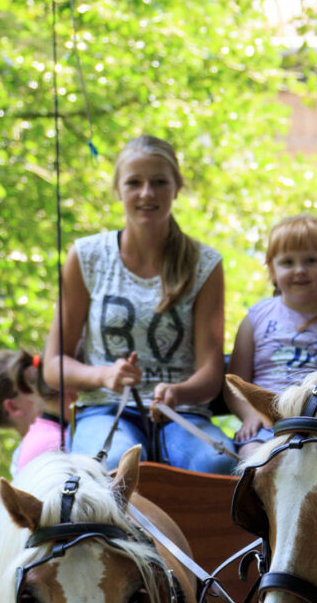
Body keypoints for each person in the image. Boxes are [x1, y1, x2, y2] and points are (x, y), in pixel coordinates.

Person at [43, 134, 235, 474]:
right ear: (118, 189)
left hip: (180, 413)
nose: (147, 193)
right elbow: (53, 365)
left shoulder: (204, 263)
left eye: (159, 182)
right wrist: (104, 375)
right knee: (112, 464)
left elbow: (211, 371)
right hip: (104, 409)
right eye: (134, 183)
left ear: (176, 187)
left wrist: (179, 392)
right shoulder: (86, 256)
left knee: (218, 464)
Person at [227, 215, 317, 459]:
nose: (300, 270)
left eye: (311, 260)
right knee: (252, 457)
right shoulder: (256, 318)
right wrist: (250, 414)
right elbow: (235, 384)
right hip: (270, 424)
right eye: (288, 262)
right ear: (272, 270)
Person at [0, 349, 75, 474]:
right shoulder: (52, 446)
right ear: (14, 407)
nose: (48, 386)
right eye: (34, 383)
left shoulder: (23, 456)